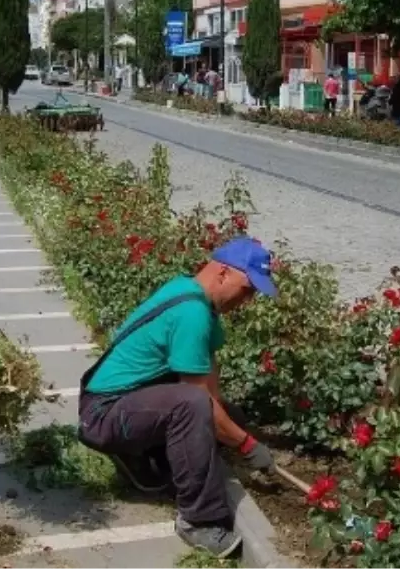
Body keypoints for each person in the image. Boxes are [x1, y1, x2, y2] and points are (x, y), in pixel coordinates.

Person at [77, 237, 280, 558]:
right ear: (224, 273)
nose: (249, 300)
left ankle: (146, 459)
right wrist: (247, 446)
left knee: (228, 415)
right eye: (248, 289)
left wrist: (236, 433)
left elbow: (212, 390)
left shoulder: (197, 300)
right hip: (102, 414)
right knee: (193, 406)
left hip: (128, 404)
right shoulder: (191, 314)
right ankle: (198, 520)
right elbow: (200, 400)